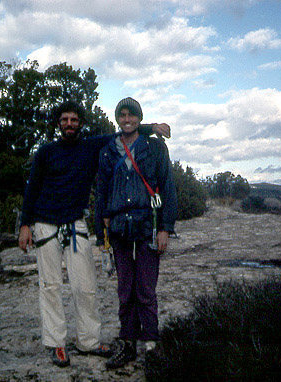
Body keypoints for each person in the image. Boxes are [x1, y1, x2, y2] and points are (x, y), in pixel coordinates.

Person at [18, 100, 170, 367]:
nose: (69, 124)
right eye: (64, 119)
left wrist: (152, 127)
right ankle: (57, 344)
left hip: (75, 224)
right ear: (58, 123)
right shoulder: (46, 152)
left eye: (74, 120)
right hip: (45, 225)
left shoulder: (90, 147)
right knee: (50, 286)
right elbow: (32, 188)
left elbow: (123, 131)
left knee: (85, 286)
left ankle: (87, 341)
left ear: (81, 124)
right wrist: (25, 225)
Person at [95, 97, 177, 369]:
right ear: (117, 119)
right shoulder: (108, 150)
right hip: (118, 229)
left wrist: (166, 228)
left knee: (145, 290)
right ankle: (128, 342)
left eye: (132, 115)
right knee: (125, 290)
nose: (127, 120)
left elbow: (167, 187)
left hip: (148, 227)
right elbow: (102, 193)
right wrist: (101, 234)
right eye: (122, 115)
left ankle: (151, 344)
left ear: (140, 119)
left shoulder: (154, 147)